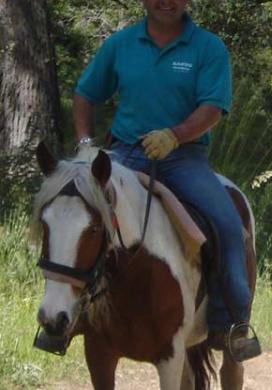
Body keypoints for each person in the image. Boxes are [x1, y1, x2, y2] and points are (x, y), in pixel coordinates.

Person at [72, 0, 260, 360]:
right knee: (75, 216)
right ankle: (66, 317)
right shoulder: (120, 44)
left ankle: (231, 322)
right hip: (123, 154)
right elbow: (85, 94)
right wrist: (84, 147)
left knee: (228, 226)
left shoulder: (208, 47)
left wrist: (175, 135)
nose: (166, 2)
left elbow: (213, 108)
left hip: (183, 157)